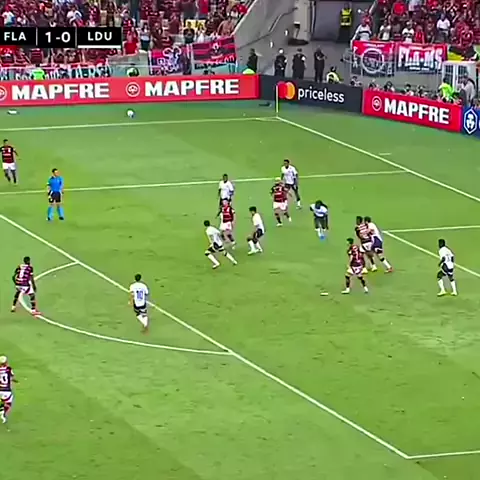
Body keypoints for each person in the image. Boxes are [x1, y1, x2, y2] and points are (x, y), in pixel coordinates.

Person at [0, 356, 17, 424]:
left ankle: (1, 409)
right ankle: (2, 412)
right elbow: (12, 377)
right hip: (6, 390)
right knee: (8, 402)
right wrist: (14, 380)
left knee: (2, 400)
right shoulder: (8, 369)